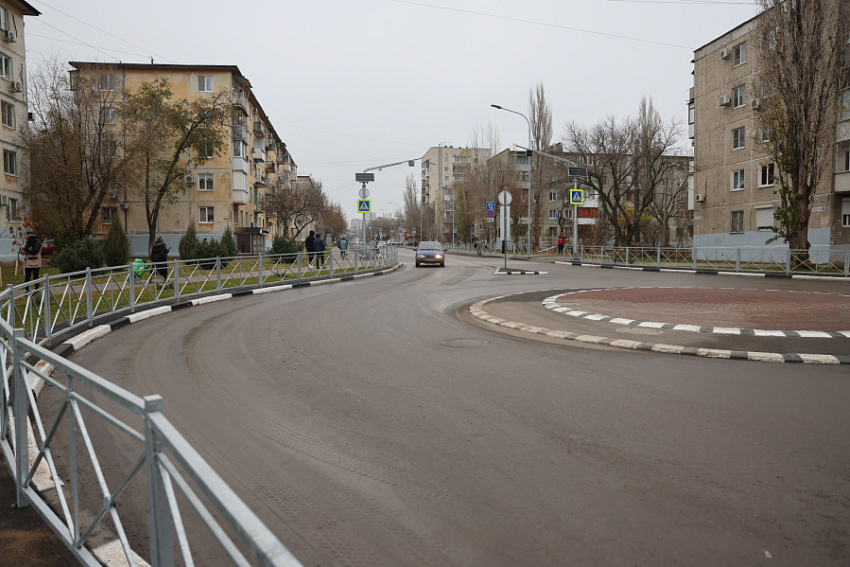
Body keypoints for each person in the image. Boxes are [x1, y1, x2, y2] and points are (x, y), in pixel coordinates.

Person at [21, 229, 42, 294]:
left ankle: (36, 291)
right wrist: (22, 249)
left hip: (35, 263)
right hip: (28, 263)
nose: (25, 236)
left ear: (30, 236)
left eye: (26, 235)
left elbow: (34, 252)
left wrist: (25, 249)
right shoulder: (27, 243)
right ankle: (27, 290)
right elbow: (24, 252)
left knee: (36, 277)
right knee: (27, 277)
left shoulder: (37, 243)